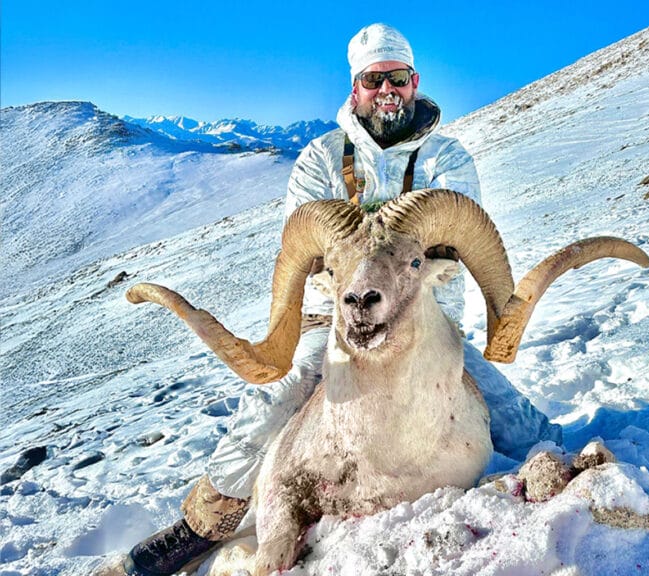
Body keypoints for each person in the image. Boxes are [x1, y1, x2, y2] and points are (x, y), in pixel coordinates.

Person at [101, 23, 561, 576]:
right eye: (374, 79)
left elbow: (457, 256)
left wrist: (438, 314)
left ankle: (560, 458)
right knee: (280, 392)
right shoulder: (321, 160)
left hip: (423, 307)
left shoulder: (447, 160)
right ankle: (204, 522)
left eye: (398, 77)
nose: (387, 89)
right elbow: (307, 254)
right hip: (335, 311)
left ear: (414, 82)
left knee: (503, 406)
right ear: (355, 89)